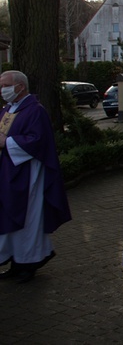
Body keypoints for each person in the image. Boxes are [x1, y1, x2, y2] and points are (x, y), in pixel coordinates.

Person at [0, 71, 71, 283]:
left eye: (5, 85)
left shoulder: (35, 111)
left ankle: (29, 263)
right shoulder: (7, 110)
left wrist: (7, 142)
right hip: (8, 173)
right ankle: (15, 262)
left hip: (28, 175)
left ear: (20, 87)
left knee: (27, 220)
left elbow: (37, 140)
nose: (2, 89)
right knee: (9, 217)